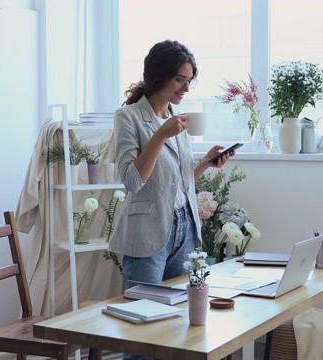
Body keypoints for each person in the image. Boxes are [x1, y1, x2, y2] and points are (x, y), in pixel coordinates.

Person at [110, 40, 234, 358]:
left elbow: (176, 184)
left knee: (178, 330)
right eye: (180, 79)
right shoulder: (129, 117)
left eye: (188, 80)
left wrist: (205, 163)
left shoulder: (177, 117)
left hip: (184, 234)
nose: (185, 88)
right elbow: (133, 180)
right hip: (148, 236)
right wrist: (161, 135)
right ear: (160, 75)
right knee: (143, 335)